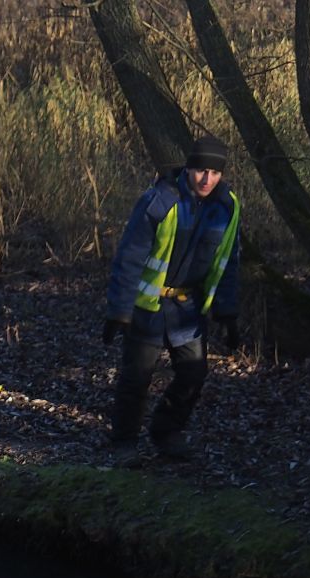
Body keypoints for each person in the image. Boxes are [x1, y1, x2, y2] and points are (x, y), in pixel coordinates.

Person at [102, 133, 242, 462]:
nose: (208, 179)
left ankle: (166, 432)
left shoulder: (227, 208)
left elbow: (228, 263)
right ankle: (125, 443)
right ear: (189, 168)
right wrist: (118, 311)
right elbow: (130, 256)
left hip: (187, 308)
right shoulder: (160, 200)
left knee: (194, 373)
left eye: (216, 173)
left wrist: (228, 313)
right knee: (137, 377)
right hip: (147, 307)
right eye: (201, 171)